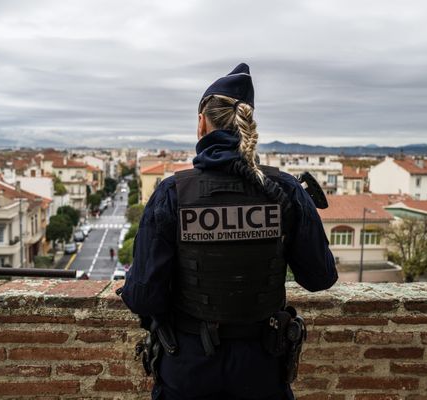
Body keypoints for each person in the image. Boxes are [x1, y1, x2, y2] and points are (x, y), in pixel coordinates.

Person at [121, 63, 337, 400]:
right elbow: (320, 276)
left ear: (201, 123)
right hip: (262, 366)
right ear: (247, 124)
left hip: (187, 366)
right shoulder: (285, 190)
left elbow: (144, 297)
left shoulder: (171, 193)